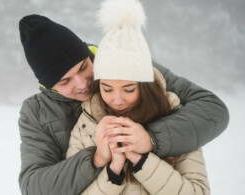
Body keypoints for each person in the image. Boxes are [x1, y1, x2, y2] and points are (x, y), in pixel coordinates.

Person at [18, 13, 228, 195]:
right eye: (65, 81)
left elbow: (212, 110)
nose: (83, 84)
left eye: (83, 66)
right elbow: (34, 186)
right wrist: (96, 159)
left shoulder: (125, 63)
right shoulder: (37, 112)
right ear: (48, 85)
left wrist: (150, 138)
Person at [66, 0, 210, 194]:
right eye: (107, 89)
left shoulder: (175, 118)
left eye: (128, 89)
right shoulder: (86, 124)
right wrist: (113, 168)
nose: (117, 100)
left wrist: (141, 158)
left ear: (145, 87)